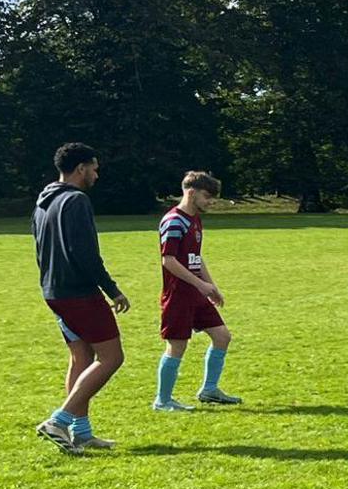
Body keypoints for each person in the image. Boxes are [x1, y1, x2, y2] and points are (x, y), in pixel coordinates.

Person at [33, 142, 132, 452]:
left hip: (54, 290)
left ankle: (82, 432)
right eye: (94, 168)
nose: (97, 174)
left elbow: (40, 249)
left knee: (82, 357)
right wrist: (111, 289)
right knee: (112, 357)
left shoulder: (43, 201)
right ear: (81, 168)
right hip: (78, 293)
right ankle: (58, 422)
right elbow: (85, 253)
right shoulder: (76, 201)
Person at [153, 171, 241, 411]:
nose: (210, 201)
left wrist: (211, 287)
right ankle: (162, 400)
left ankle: (209, 390)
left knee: (222, 337)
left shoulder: (195, 220)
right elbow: (168, 260)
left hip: (196, 292)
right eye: (207, 196)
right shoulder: (173, 221)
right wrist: (199, 284)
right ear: (191, 192)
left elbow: (195, 257)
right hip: (179, 295)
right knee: (177, 346)